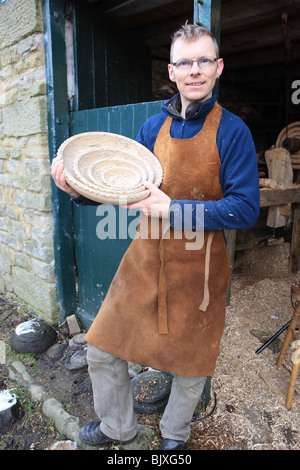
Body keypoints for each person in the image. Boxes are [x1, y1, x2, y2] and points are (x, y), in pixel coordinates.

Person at [51, 23, 260, 450]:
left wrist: (174, 209)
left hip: (199, 268)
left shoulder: (233, 131)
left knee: (190, 364)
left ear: (218, 67)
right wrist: (77, 190)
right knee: (102, 347)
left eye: (204, 60)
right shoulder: (152, 129)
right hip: (144, 260)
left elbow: (246, 208)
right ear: (172, 71)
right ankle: (117, 428)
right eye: (185, 62)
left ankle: (174, 435)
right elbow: (125, 191)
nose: (195, 70)